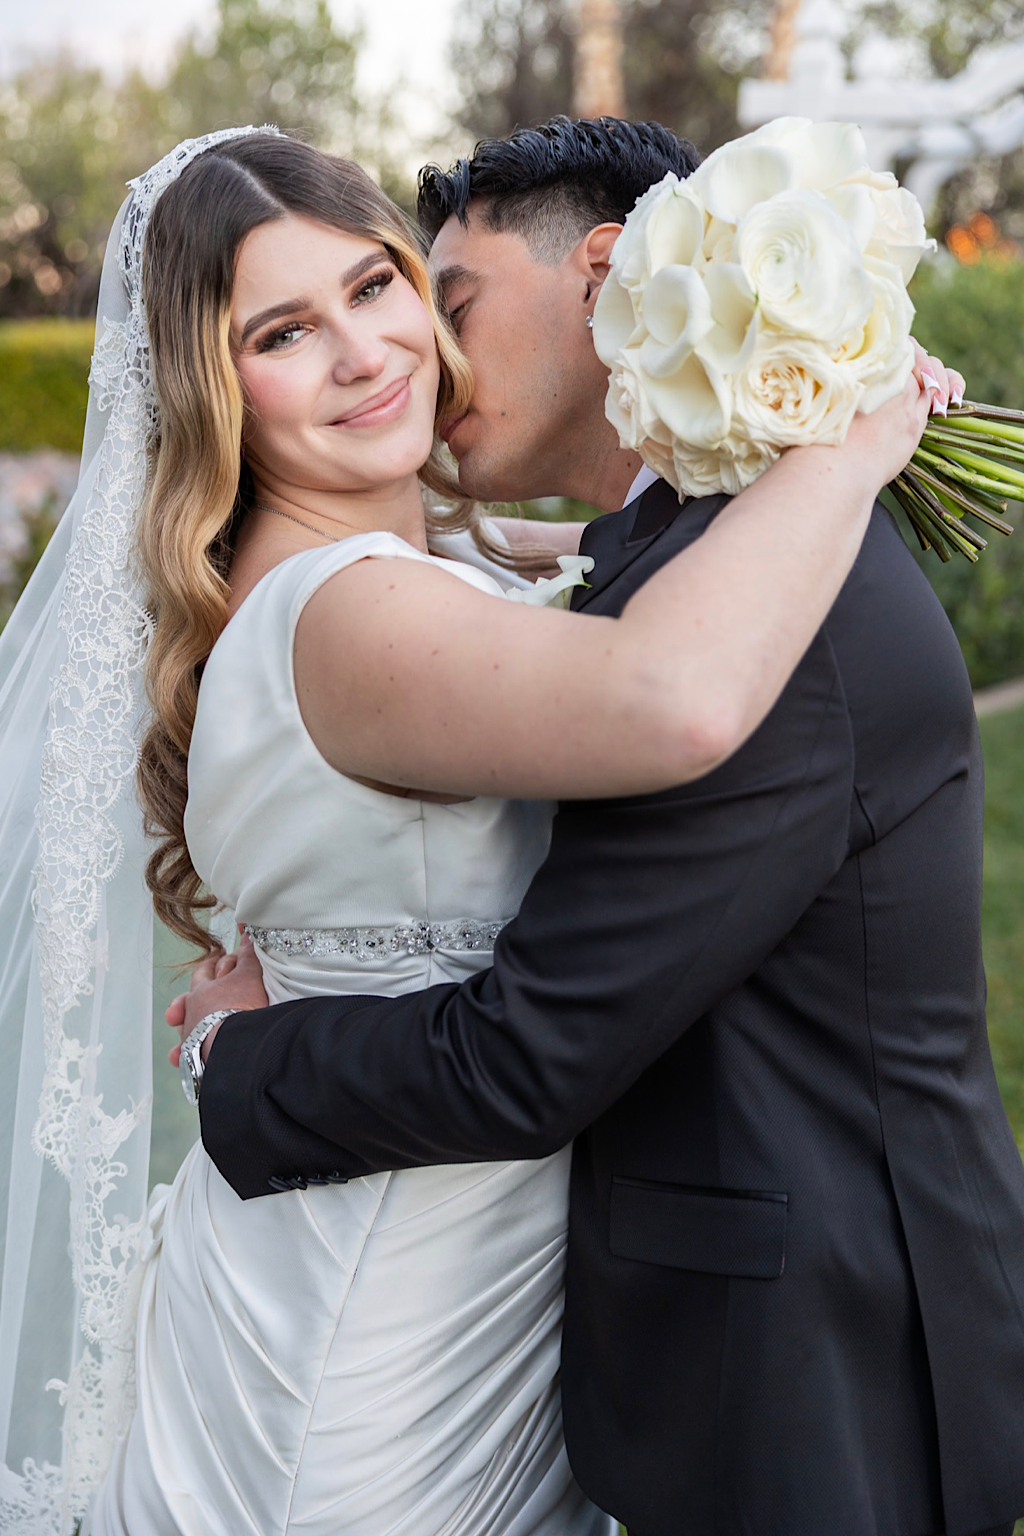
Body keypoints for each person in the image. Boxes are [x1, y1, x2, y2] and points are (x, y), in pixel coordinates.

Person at [0, 122, 940, 1534]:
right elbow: (668, 693)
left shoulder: (402, 567)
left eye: (381, 290)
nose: (368, 352)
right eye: (283, 332)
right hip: (373, 1338)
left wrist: (740, 420)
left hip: (445, 1274)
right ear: (214, 390)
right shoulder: (354, 611)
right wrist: (851, 442)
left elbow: (593, 559)